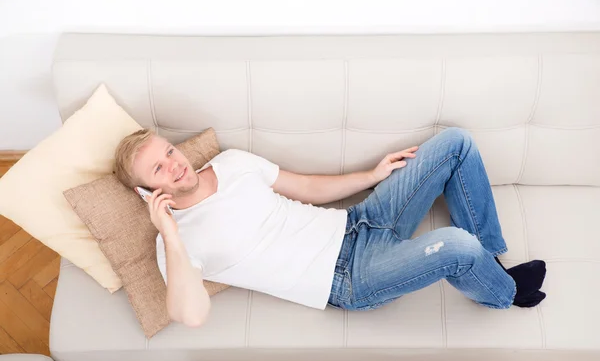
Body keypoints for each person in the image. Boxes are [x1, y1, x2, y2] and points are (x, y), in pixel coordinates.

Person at [114, 127, 546, 328]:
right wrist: (169, 229)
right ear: (146, 193)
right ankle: (503, 293)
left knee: (456, 142)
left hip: (359, 222)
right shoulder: (174, 242)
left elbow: (303, 185)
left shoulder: (230, 164)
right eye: (158, 167)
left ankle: (489, 258)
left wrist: (372, 176)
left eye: (169, 151)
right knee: (456, 245)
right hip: (348, 280)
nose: (174, 163)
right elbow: (190, 313)